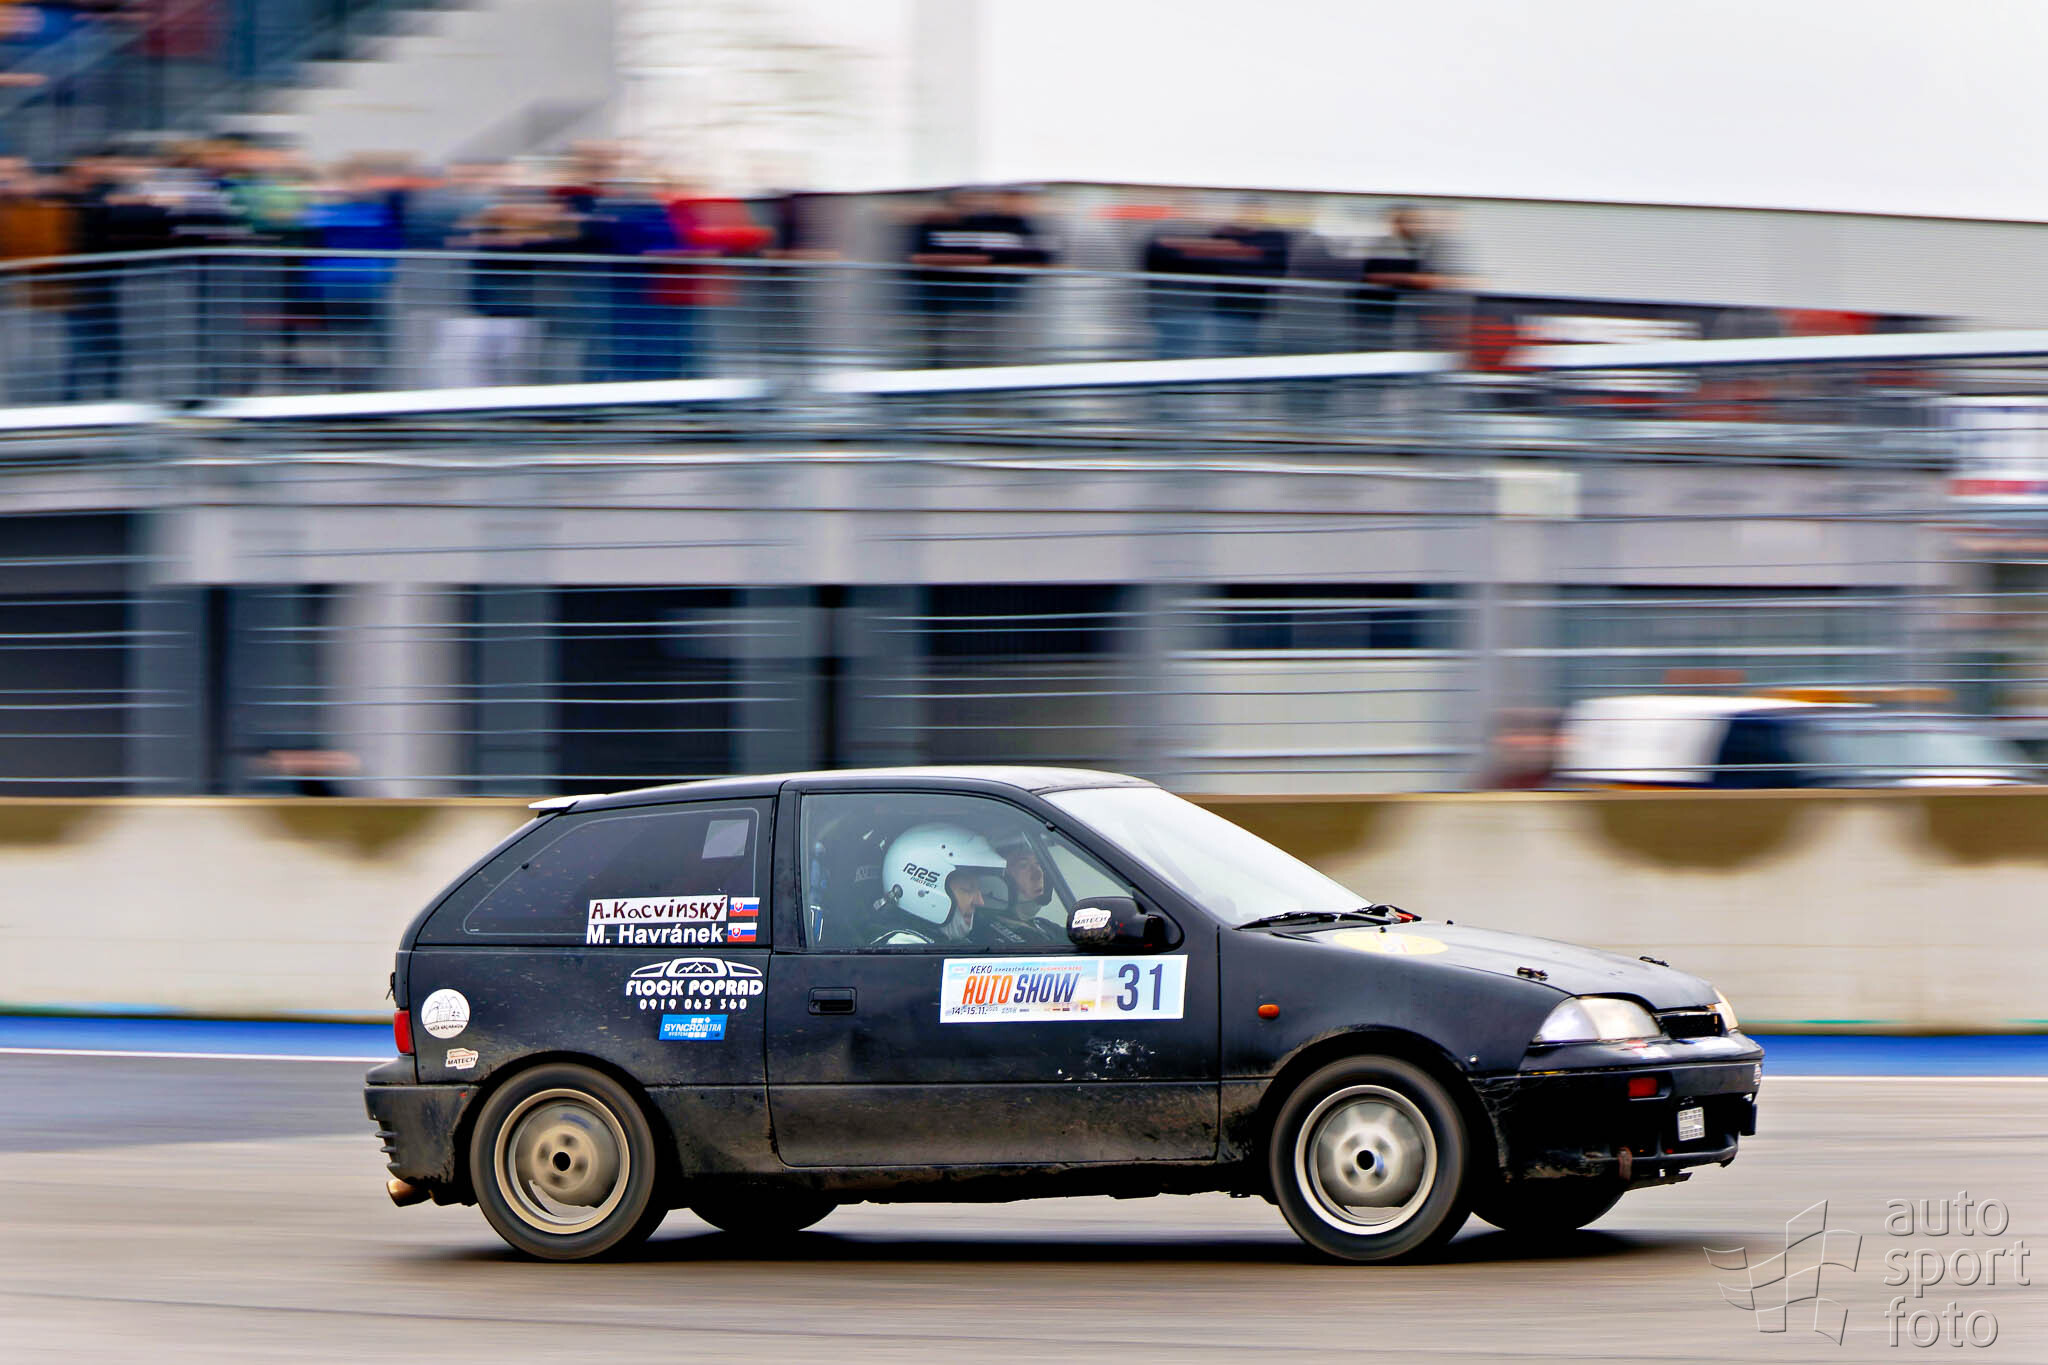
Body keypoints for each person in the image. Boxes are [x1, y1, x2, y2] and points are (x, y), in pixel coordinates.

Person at [875, 823, 1009, 945]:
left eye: (978, 889)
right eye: (967, 890)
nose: (980, 902)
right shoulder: (904, 949)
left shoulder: (939, 944)